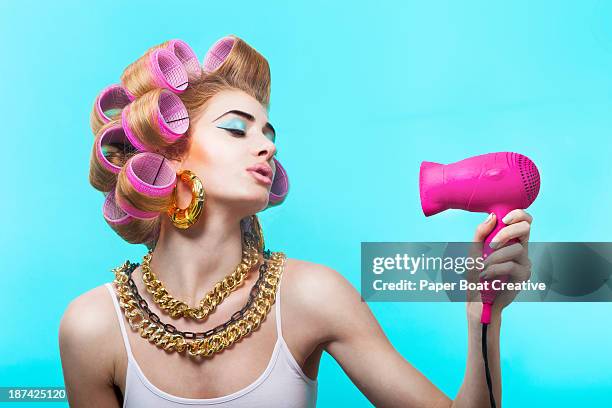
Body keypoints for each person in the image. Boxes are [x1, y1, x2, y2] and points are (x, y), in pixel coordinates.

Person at [59, 35, 534, 407]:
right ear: (167, 151)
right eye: (234, 128)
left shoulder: (313, 297)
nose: (267, 145)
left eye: (268, 132)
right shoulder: (92, 327)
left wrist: (481, 319)